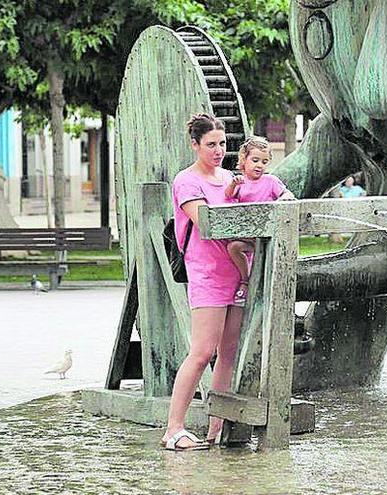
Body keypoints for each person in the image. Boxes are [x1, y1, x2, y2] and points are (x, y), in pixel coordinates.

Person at [161, 113, 244, 451]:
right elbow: (207, 222)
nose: (218, 150)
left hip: (238, 270)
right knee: (201, 351)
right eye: (211, 144)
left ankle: (216, 427)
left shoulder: (231, 177)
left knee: (228, 352)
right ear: (195, 145)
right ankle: (173, 429)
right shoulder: (186, 181)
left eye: (222, 144)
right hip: (207, 273)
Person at [224, 136, 295, 306]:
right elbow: (228, 195)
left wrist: (284, 199)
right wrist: (233, 185)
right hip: (249, 235)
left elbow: (287, 193)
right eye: (255, 160)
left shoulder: (270, 181)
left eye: (264, 162)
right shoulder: (240, 182)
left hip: (267, 235)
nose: (259, 165)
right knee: (233, 247)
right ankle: (245, 279)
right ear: (244, 160)